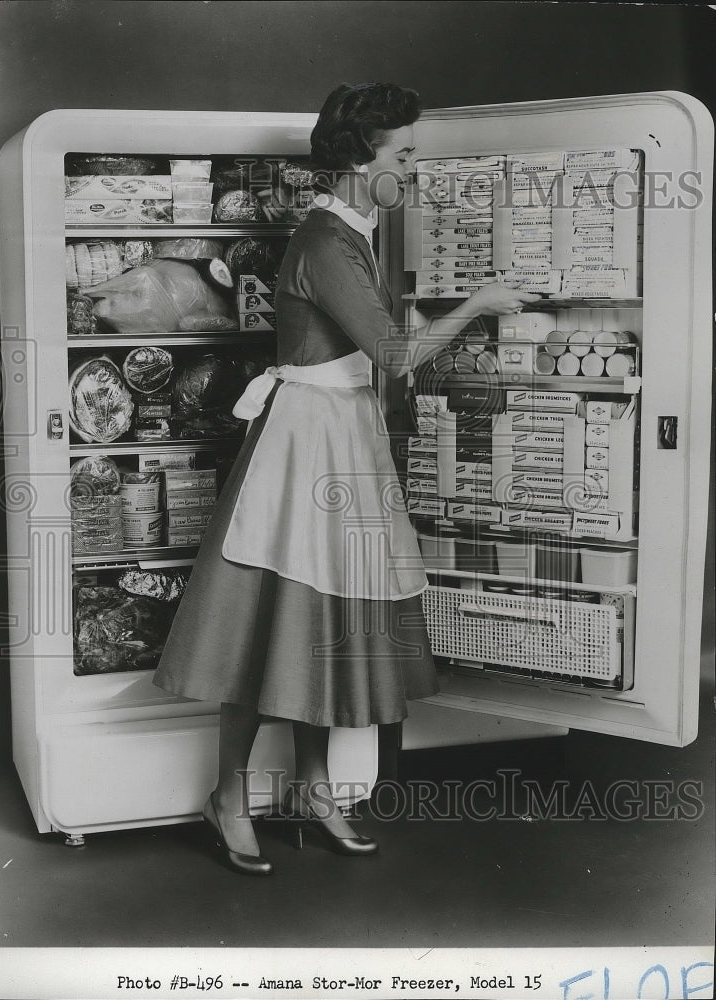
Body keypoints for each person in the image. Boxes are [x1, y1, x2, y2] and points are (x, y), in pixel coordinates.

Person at [152, 81, 539, 876]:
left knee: (323, 618)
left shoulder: (352, 231)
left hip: (341, 433)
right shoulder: (328, 241)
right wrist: (481, 302)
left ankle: (316, 790)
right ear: (363, 160)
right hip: (304, 444)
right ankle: (229, 795)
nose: (414, 165)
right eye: (403, 152)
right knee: (270, 625)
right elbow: (397, 356)